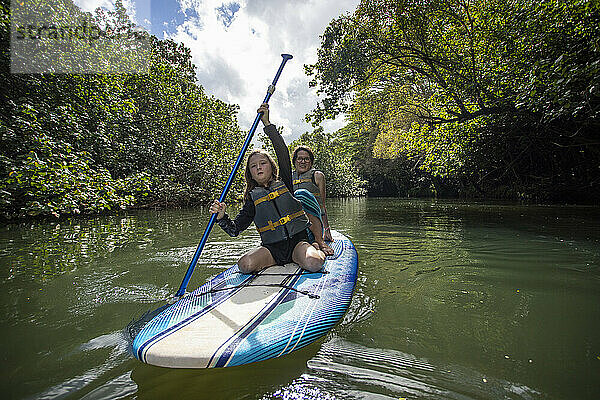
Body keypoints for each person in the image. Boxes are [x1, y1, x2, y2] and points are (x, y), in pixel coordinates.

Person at [209, 103, 326, 274]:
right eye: (253, 166)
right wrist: (221, 217)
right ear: (250, 173)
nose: (259, 168)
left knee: (314, 263)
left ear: (271, 166)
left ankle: (315, 247)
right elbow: (235, 229)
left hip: (297, 244)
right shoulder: (252, 198)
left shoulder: (284, 182)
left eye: (263, 163)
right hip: (273, 250)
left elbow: (283, 153)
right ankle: (271, 262)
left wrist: (267, 124)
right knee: (245, 265)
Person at [292, 146, 334, 252]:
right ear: (295, 161)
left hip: (314, 224)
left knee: (301, 194)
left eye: (306, 159)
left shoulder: (317, 176)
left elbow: (322, 205)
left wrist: (327, 229)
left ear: (311, 162)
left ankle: (317, 240)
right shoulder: (288, 177)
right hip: (296, 224)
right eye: (300, 158)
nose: (303, 161)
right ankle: (311, 243)